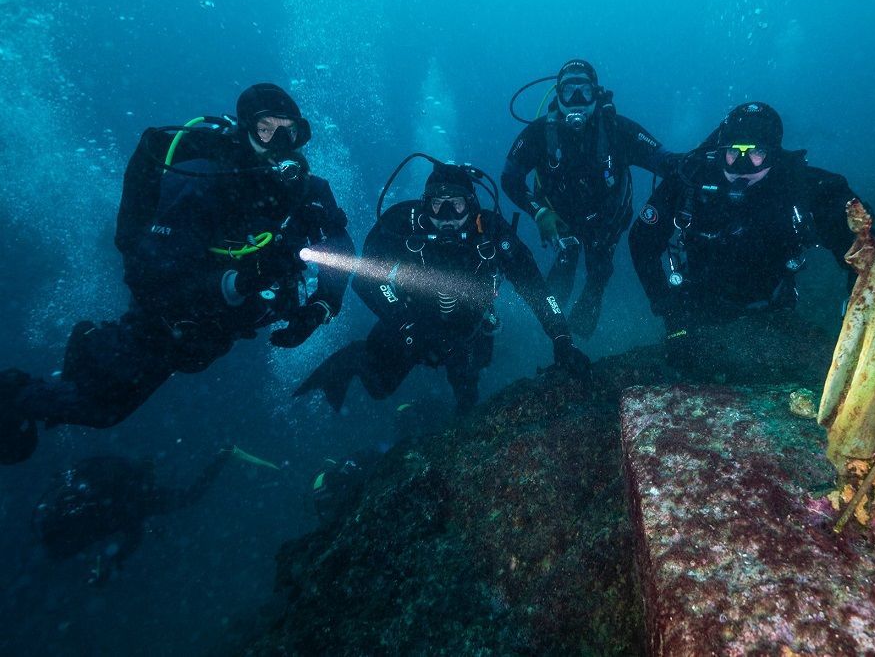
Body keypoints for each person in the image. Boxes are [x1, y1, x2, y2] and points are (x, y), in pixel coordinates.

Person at [0, 84, 354, 464]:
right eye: (266, 129)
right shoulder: (205, 181)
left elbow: (339, 246)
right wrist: (240, 281)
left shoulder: (309, 191)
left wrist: (321, 306)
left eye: (290, 130)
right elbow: (154, 278)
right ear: (243, 130)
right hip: (169, 323)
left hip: (218, 330)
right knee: (101, 409)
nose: (279, 141)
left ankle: (86, 352)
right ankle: (21, 391)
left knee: (157, 377)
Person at [295, 158, 591, 416]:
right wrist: (407, 323)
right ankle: (351, 360)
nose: (447, 216)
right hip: (410, 319)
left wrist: (562, 337)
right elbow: (365, 277)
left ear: (472, 204)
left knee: (468, 393)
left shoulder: (492, 232)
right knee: (379, 387)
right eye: (437, 205)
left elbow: (536, 289)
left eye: (457, 204)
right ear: (426, 205)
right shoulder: (401, 224)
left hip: (469, 323)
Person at [629, 102, 864, 355]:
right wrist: (669, 312)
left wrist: (858, 307)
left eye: (756, 152)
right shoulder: (690, 180)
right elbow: (642, 241)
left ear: (774, 154)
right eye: (733, 152)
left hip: (772, 306)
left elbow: (858, 235)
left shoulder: (797, 185)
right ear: (720, 152)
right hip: (698, 306)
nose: (742, 164)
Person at [502, 59, 681, 338]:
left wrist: (701, 162)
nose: (576, 100)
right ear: (557, 95)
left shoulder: (618, 130)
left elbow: (665, 161)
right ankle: (554, 331)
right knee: (566, 262)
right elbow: (510, 178)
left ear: (596, 93)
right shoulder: (538, 134)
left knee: (599, 268)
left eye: (583, 91)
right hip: (559, 219)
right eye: (567, 90)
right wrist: (539, 213)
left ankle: (594, 291)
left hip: (608, 219)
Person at [33, 449, 233, 585]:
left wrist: (112, 562)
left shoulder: (110, 499)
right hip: (119, 507)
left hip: (121, 505)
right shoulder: (133, 501)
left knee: (190, 497)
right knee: (190, 497)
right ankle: (222, 456)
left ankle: (222, 456)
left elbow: (132, 532)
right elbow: (133, 532)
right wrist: (112, 561)